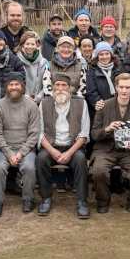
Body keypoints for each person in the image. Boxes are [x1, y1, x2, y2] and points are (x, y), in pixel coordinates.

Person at [90, 73, 130, 213]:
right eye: (121, 87)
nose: (124, 90)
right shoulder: (104, 106)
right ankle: (103, 200)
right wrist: (107, 129)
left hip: (129, 151)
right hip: (106, 149)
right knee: (98, 171)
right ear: (116, 87)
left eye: (127, 87)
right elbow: (94, 134)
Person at [35, 73, 91, 218]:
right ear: (53, 87)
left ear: (69, 87)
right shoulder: (45, 103)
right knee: (41, 160)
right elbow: (40, 132)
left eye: (64, 85)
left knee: (80, 161)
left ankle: (82, 201)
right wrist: (52, 151)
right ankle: (46, 198)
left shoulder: (80, 103)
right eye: (57, 85)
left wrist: (70, 152)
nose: (60, 88)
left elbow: (84, 133)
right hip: (51, 145)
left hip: (73, 146)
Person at [0, 72, 41, 217]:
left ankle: (28, 199)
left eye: (17, 84)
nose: (14, 87)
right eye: (11, 84)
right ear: (6, 87)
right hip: (4, 148)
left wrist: (21, 153)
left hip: (25, 148)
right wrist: (8, 153)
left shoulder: (31, 106)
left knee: (30, 167)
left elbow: (34, 133)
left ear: (22, 86)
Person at [86, 42, 124, 117]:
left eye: (107, 54)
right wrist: (100, 104)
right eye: (101, 54)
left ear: (111, 55)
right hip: (101, 110)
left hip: (119, 108)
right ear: (97, 56)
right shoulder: (92, 71)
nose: (105, 57)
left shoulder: (118, 69)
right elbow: (91, 91)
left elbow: (124, 85)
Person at [16, 31, 47, 104]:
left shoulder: (43, 62)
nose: (30, 47)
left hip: (39, 101)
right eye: (27, 44)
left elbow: (47, 82)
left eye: (32, 44)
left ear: (36, 45)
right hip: (21, 101)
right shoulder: (16, 61)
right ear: (22, 44)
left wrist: (39, 97)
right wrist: (25, 97)